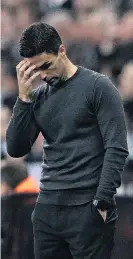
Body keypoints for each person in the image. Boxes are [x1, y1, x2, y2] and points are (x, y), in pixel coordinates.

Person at [6, 22, 129, 259]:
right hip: (47, 208)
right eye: (35, 70)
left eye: (46, 66)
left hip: (87, 207)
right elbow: (16, 148)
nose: (43, 75)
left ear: (62, 50)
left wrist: (102, 202)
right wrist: (23, 99)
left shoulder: (98, 86)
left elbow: (116, 147)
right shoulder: (38, 96)